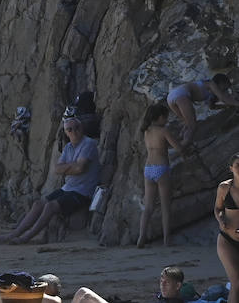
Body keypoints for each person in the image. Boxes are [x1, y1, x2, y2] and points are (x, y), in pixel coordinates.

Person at [0, 116, 99, 245]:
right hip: (68, 188)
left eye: (77, 128)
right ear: (66, 132)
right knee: (38, 204)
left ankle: (25, 238)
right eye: (70, 129)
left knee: (51, 206)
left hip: (83, 192)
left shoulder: (88, 144)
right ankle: (13, 234)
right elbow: (57, 169)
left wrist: (69, 167)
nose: (74, 131)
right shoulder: (68, 148)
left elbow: (79, 169)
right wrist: (72, 166)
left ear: (82, 128)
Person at [138, 101, 185, 247]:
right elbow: (177, 147)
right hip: (161, 168)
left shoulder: (146, 130)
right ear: (159, 117)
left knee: (148, 207)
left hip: (148, 168)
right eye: (165, 117)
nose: (167, 120)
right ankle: (166, 240)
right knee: (165, 206)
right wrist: (185, 144)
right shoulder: (163, 130)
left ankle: (141, 237)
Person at [167, 73, 236, 144]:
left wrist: (226, 106)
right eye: (225, 87)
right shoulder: (211, 84)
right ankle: (182, 147)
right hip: (180, 94)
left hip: (172, 97)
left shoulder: (210, 93)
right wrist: (236, 103)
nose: (225, 90)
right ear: (221, 82)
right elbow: (224, 98)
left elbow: (212, 107)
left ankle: (178, 142)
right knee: (192, 126)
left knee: (187, 124)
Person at [71, 266, 181, 303]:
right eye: (162, 281)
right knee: (82, 292)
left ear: (177, 286)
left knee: (86, 295)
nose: (163, 285)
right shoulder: (160, 297)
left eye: (167, 282)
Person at [216, 153, 239, 303]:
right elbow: (218, 208)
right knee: (236, 283)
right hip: (227, 240)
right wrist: (220, 219)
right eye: (238, 165)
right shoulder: (224, 187)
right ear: (231, 168)